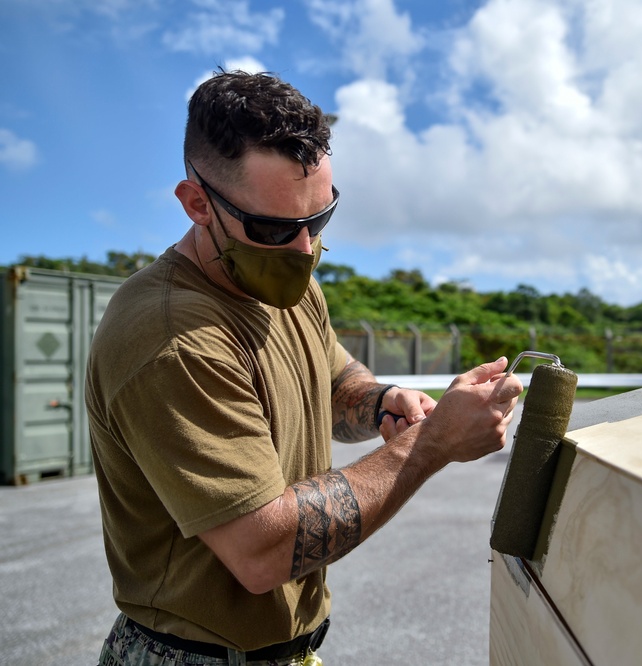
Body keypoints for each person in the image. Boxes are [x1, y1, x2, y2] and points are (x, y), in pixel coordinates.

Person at [85, 70, 523, 666]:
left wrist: (382, 401)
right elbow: (262, 551)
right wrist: (432, 445)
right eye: (273, 227)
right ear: (196, 204)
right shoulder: (173, 340)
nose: (304, 251)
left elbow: (334, 378)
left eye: (319, 220)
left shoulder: (284, 281)